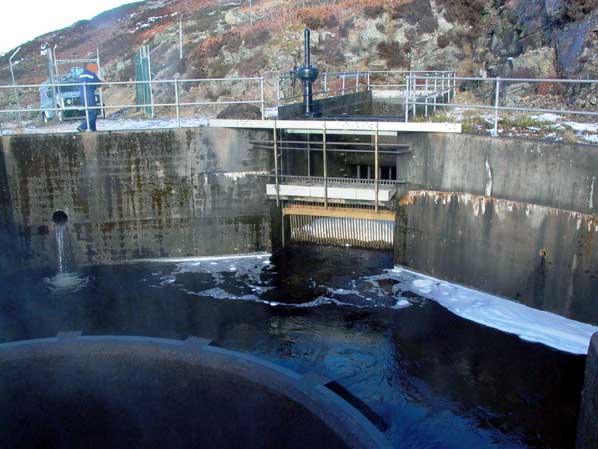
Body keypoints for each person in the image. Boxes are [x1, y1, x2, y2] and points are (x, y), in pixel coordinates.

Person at [77, 63, 102, 132]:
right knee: (94, 112)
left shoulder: (81, 75)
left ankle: (93, 129)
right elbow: (98, 84)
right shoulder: (91, 74)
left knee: (89, 113)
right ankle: (83, 126)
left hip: (82, 95)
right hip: (89, 95)